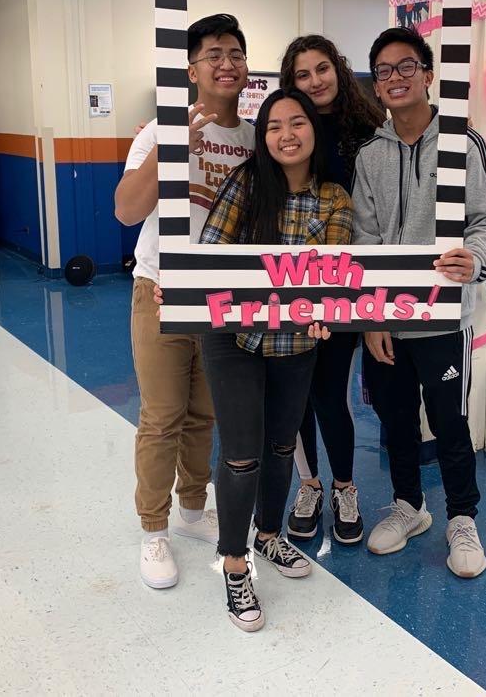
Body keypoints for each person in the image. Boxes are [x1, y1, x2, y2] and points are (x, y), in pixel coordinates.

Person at [158, 88, 353, 632]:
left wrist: (326, 312)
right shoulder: (246, 183)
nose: (286, 135)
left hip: (296, 344)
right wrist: (184, 288)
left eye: (297, 123)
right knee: (242, 456)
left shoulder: (334, 198)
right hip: (234, 338)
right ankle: (234, 563)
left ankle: (268, 535)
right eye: (273, 126)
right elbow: (211, 252)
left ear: (313, 130)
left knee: (281, 445)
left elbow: (333, 271)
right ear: (263, 136)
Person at [353, 26, 486, 579]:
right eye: (384, 71)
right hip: (387, 322)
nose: (395, 78)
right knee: (395, 422)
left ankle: (462, 518)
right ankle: (409, 506)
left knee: (449, 423)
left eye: (406, 67)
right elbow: (364, 240)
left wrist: (475, 257)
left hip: (443, 318)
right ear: (376, 86)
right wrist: (370, 316)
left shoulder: (462, 143)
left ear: (427, 74)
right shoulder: (369, 155)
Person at [113, 13, 253, 590]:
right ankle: (154, 529)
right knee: (161, 415)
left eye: (235, 53)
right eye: (213, 54)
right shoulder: (159, 131)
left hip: (223, 300)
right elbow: (127, 210)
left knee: (205, 413)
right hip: (160, 289)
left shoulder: (255, 139)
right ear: (192, 70)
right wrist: (172, 150)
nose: (226, 63)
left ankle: (193, 509)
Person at [278, 35, 385, 544]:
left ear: (338, 70)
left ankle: (344, 486)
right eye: (303, 74)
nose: (315, 81)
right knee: (295, 396)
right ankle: (310, 485)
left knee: (329, 393)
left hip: (345, 284)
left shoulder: (370, 131)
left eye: (322, 69)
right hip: (288, 286)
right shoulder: (288, 129)